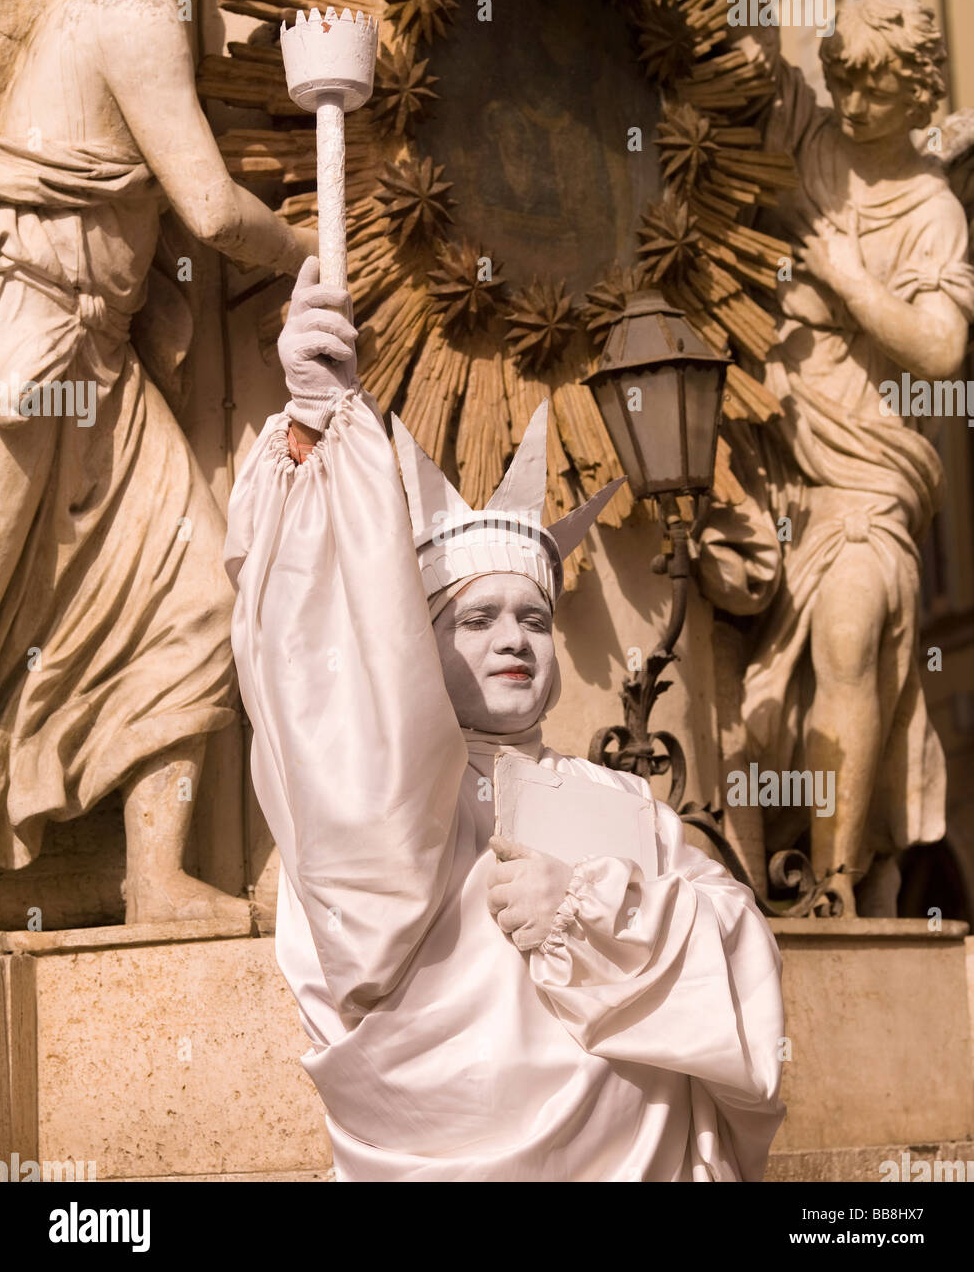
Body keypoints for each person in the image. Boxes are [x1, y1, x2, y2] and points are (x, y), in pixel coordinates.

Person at [225, 257, 785, 1181]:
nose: (513, 639)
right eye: (475, 621)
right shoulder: (387, 802)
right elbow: (306, 660)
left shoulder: (620, 799)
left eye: (533, 618)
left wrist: (598, 913)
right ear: (418, 650)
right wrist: (313, 433)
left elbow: (739, 947)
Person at [0, 0, 311, 921]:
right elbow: (215, 207)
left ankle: (157, 880)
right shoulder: (133, 1)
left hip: (95, 362)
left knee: (195, 595)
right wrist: (321, 254)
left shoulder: (149, 2)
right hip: (29, 344)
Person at [710, 0, 974, 915]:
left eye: (876, 89)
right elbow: (743, 15)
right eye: (844, 85)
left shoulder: (936, 210)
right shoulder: (809, 141)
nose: (855, 106)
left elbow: (945, 348)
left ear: (917, 90)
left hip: (870, 477)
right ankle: (782, 857)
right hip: (776, 454)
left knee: (853, 632)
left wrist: (854, 284)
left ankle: (830, 886)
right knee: (739, 667)